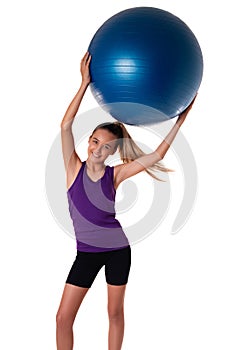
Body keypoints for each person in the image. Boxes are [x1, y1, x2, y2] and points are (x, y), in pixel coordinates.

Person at [56, 52, 196, 350]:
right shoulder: (73, 168)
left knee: (114, 313)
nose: (97, 148)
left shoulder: (115, 175)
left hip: (118, 249)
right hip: (87, 252)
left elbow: (156, 156)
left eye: (105, 146)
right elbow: (65, 126)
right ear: (89, 141)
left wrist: (181, 120)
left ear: (112, 152)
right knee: (63, 318)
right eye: (94, 141)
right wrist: (84, 84)